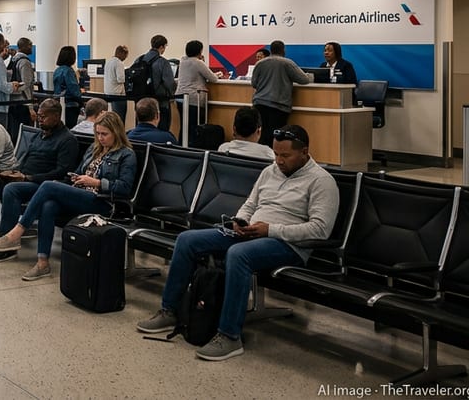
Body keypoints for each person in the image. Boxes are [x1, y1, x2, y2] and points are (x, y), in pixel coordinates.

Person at [135, 125, 338, 361]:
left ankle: (230, 335)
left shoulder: (322, 182)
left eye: (285, 156)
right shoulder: (270, 171)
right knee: (187, 240)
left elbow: (320, 230)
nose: (279, 161)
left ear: (304, 152)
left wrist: (270, 230)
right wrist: (239, 221)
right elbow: (251, 204)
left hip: (288, 245)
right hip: (252, 232)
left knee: (238, 255)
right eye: (275, 154)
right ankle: (170, 310)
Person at [0, 111, 138, 280]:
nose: (101, 138)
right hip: (82, 194)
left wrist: (95, 182)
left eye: (105, 134)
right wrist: (76, 178)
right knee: (49, 205)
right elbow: (81, 171)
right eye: (98, 133)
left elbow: (124, 188)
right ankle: (42, 262)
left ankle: (16, 233)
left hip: (103, 202)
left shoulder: (126, 154)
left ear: (116, 132)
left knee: (48, 186)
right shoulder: (94, 149)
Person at [0, 99, 78, 258]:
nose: (39, 119)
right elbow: (25, 160)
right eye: (39, 115)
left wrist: (27, 178)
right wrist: (11, 172)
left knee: (11, 190)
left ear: (57, 116)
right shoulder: (39, 135)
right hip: (21, 177)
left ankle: (8, 244)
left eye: (44, 117)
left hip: (40, 184)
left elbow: (62, 172)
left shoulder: (67, 140)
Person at [250, 40, 312, 145]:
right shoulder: (287, 63)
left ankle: (261, 159)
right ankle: (273, 158)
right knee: (276, 137)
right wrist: (311, 76)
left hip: (260, 104)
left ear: (271, 50)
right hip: (279, 106)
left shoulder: (260, 63)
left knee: (261, 135)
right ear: (283, 50)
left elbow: (254, 83)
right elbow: (304, 80)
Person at [176, 40, 220, 142]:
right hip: (193, 98)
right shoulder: (197, 63)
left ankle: (181, 147)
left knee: (184, 126)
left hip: (180, 97)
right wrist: (217, 74)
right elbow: (213, 79)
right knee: (194, 127)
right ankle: (192, 150)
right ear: (199, 51)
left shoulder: (182, 61)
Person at [135, 35, 176, 131]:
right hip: (160, 102)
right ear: (161, 47)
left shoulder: (139, 59)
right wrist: (172, 95)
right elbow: (169, 83)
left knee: (141, 129)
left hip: (140, 101)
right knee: (161, 130)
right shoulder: (163, 62)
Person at [6, 37, 37, 142]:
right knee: (23, 134)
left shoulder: (13, 60)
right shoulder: (25, 62)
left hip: (13, 102)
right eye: (30, 44)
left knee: (14, 132)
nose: (31, 47)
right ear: (23, 46)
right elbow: (26, 86)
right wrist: (31, 108)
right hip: (23, 103)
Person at [53, 45, 82, 125]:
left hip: (59, 104)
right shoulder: (68, 71)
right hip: (70, 105)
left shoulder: (57, 70)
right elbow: (74, 90)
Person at [104, 45, 129, 122]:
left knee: (113, 119)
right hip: (118, 94)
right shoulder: (119, 63)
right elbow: (121, 79)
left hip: (108, 93)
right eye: (126, 55)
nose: (125, 58)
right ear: (122, 54)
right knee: (120, 119)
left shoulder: (108, 62)